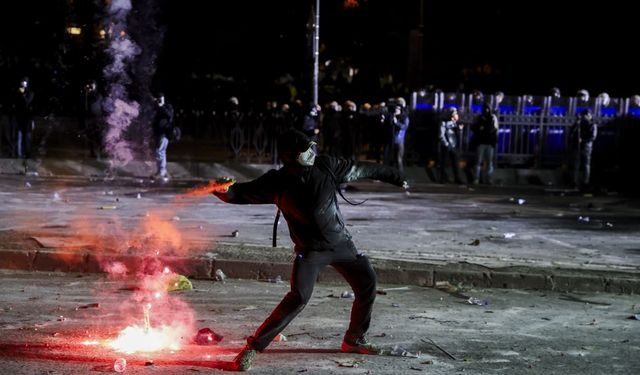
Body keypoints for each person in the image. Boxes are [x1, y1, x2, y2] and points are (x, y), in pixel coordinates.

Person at [210, 129, 408, 371]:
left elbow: (364, 168)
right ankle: (253, 348)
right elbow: (240, 193)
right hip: (311, 251)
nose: (312, 152)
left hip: (342, 244)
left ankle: (354, 339)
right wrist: (222, 189)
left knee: (367, 283)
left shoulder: (327, 167)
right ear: (291, 155)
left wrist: (396, 176)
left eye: (312, 147)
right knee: (299, 297)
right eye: (306, 150)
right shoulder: (277, 181)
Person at [471, 102, 499, 184]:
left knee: (489, 162)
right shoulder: (479, 117)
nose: (486, 110)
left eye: (488, 108)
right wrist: (480, 129)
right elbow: (474, 127)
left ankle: (488, 178)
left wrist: (494, 141)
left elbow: (495, 129)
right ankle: (476, 178)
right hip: (481, 142)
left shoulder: (492, 117)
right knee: (479, 161)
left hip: (489, 142)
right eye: (485, 108)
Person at [570, 109, 597, 188]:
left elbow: (592, 137)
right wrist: (577, 123)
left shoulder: (592, 125)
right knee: (576, 164)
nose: (585, 117)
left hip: (587, 147)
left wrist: (583, 140)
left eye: (587, 115)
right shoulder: (579, 124)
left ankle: (585, 182)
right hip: (578, 147)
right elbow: (572, 132)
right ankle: (574, 181)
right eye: (584, 115)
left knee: (586, 165)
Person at [151, 92, 174, 182]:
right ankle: (161, 171)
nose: (159, 100)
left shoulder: (167, 107)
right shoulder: (157, 108)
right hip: (158, 133)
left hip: (164, 133)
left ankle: (162, 171)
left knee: (159, 151)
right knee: (161, 152)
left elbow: (169, 115)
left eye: (161, 98)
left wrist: (161, 106)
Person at [438, 107, 464, 184]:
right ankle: (442, 178)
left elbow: (455, 133)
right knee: (444, 163)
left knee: (455, 163)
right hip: (446, 145)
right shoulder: (443, 122)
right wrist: (445, 143)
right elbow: (441, 134)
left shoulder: (454, 122)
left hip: (453, 145)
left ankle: (457, 178)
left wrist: (459, 129)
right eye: (453, 113)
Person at [80, 80, 104, 159]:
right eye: (88, 86)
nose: (89, 88)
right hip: (89, 118)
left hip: (97, 117)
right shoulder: (85, 95)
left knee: (98, 135)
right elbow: (83, 106)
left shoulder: (97, 95)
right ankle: (92, 152)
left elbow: (96, 100)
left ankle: (100, 149)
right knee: (90, 135)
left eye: (91, 86)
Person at [12, 77, 35, 160]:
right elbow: (15, 103)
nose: (23, 84)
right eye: (22, 82)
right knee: (18, 137)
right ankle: (18, 154)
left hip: (27, 119)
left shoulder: (30, 93)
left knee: (27, 138)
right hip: (19, 118)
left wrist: (23, 94)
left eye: (25, 82)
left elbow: (27, 103)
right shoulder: (17, 92)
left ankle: (27, 154)